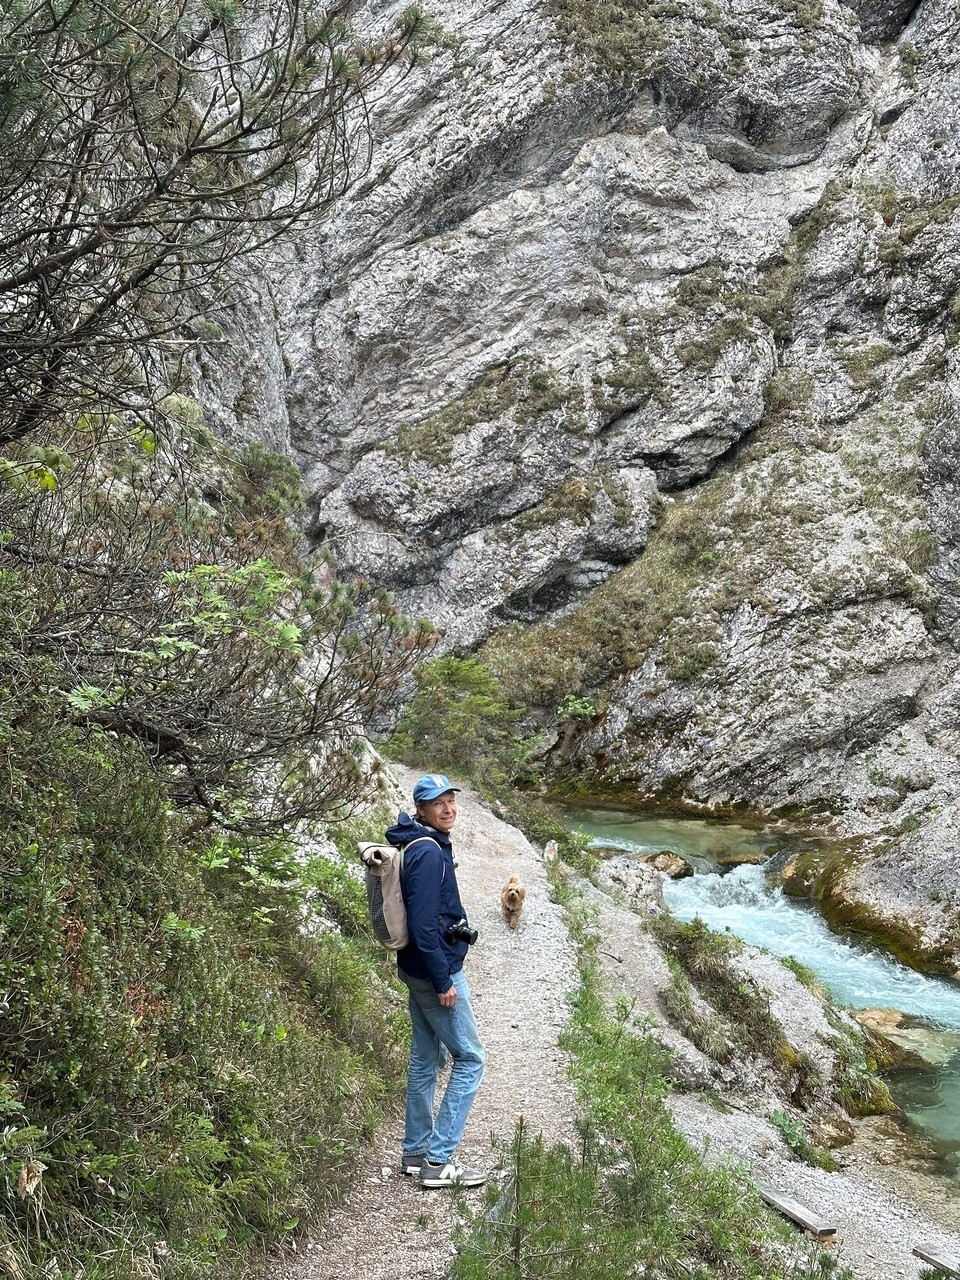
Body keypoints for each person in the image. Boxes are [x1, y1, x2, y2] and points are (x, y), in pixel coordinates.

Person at [384, 773, 486, 1189]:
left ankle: (414, 1152)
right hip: (433, 973)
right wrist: (444, 980)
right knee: (471, 1059)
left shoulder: (416, 842)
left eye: (451, 800)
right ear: (421, 809)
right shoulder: (428, 853)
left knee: (427, 1059)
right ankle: (437, 1161)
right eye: (437, 803)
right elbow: (425, 926)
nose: (448, 808)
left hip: (413, 968)